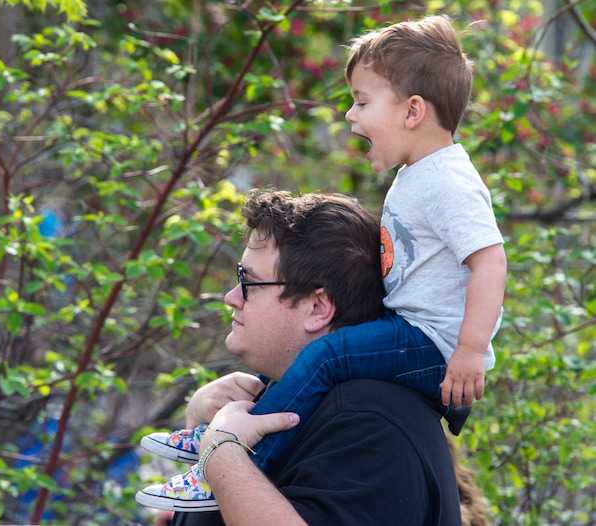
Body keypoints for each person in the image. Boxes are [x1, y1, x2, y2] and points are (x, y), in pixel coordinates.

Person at [137, 14, 507, 511]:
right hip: (415, 334)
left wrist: (468, 350)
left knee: (326, 358)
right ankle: (221, 442)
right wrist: (205, 425)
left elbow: (490, 261)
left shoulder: (448, 181)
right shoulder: (416, 176)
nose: (351, 117)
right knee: (314, 368)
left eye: (361, 101)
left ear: (413, 111)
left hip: (433, 344)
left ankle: (241, 452)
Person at [136, 189, 463, 524]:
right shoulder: (296, 403)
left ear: (318, 307)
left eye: (248, 282)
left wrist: (220, 453)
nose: (231, 297)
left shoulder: (367, 420)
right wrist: (203, 431)